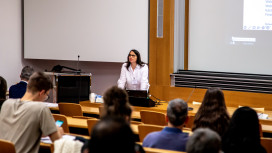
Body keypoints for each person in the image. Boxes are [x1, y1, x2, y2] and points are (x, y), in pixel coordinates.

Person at [0, 72, 63, 153]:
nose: (45, 99)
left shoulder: (7, 104)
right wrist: (57, 130)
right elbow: (57, 141)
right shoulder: (40, 108)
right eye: (46, 96)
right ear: (42, 92)